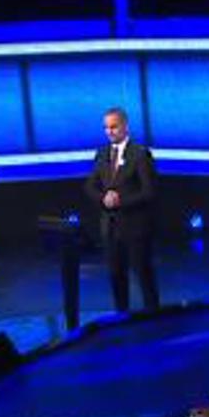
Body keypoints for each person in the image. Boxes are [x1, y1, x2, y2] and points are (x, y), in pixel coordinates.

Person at [83, 106, 160, 313]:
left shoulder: (140, 154)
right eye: (106, 128)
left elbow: (149, 192)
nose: (109, 131)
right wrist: (104, 198)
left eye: (113, 127)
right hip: (110, 228)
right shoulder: (102, 154)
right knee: (116, 276)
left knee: (144, 276)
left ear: (125, 126)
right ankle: (121, 317)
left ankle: (154, 318)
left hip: (135, 228)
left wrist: (120, 201)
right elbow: (90, 186)